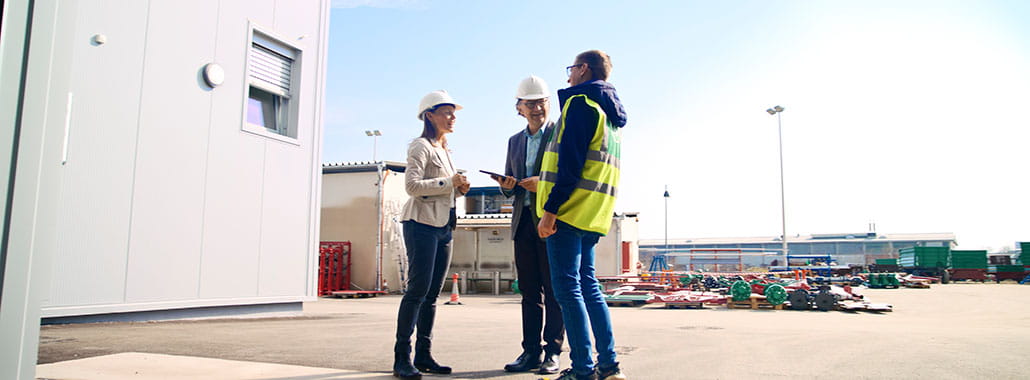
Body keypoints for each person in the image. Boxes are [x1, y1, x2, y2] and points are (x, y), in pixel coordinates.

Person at [536, 50, 628, 380]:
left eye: (572, 69)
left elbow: (570, 166)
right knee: (589, 287)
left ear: (584, 69)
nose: (568, 76)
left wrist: (550, 211)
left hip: (568, 212)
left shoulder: (580, 104)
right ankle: (609, 365)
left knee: (568, 291)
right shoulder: (610, 116)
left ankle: (582, 369)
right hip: (594, 214)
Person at [393, 90, 470, 380]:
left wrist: (459, 189)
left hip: (444, 227)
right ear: (429, 115)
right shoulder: (420, 146)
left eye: (454, 113)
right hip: (420, 224)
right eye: (446, 112)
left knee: (432, 295)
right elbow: (412, 187)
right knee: (417, 291)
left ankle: (423, 356)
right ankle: (402, 359)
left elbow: (444, 190)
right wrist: (448, 182)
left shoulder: (446, 150)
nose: (452, 117)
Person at [492, 75, 563, 375]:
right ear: (518, 108)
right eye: (530, 104)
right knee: (530, 292)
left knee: (555, 291)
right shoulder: (514, 142)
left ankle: (553, 351)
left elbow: (568, 175)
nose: (537, 109)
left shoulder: (560, 134)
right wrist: (507, 185)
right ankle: (530, 351)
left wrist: (542, 183)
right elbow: (511, 186)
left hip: (550, 222)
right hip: (522, 223)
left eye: (541, 102)